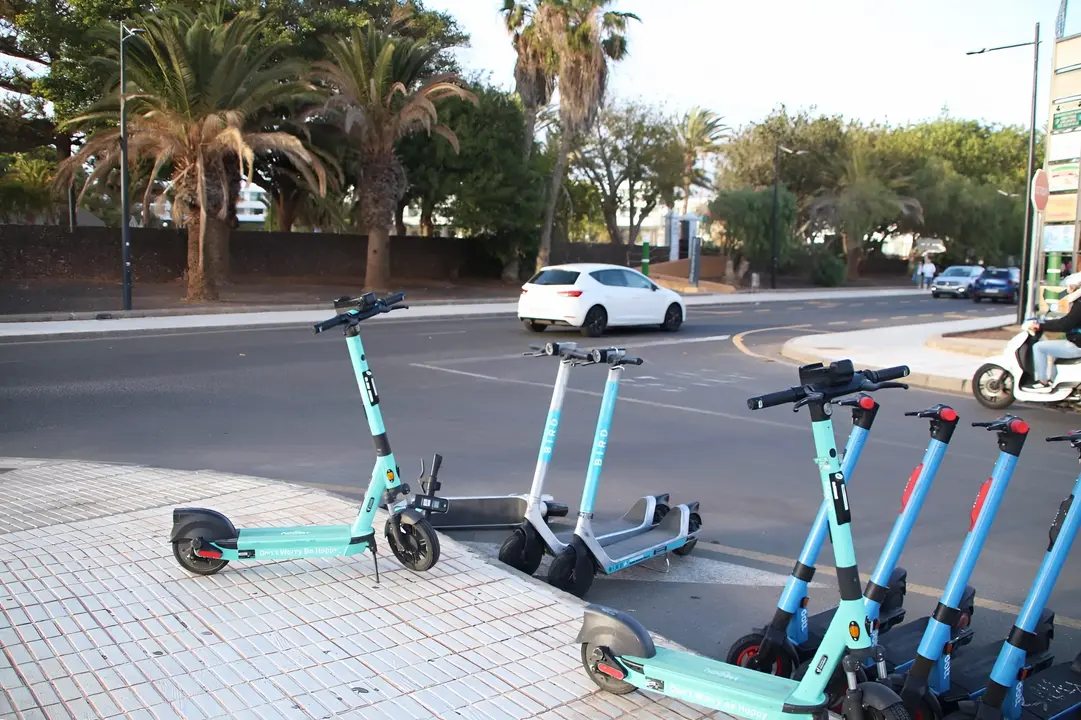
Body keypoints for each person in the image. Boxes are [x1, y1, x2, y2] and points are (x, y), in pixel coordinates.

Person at [1024, 272, 1081, 390]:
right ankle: (1053, 384)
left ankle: (1043, 382)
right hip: (1076, 341)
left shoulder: (1080, 303)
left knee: (1039, 347)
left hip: (1077, 345)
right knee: (1053, 349)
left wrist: (1041, 326)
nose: (1068, 289)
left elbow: (1065, 324)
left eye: (1071, 287)